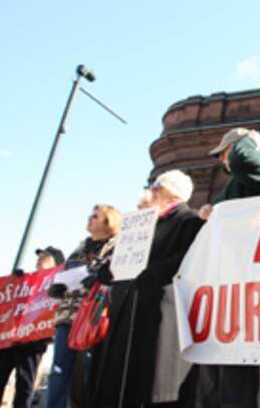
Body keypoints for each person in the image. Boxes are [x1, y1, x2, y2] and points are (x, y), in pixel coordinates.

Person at [90, 170, 204, 407]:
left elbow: (189, 258)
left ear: (169, 192)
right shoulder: (140, 225)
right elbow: (115, 266)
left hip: (159, 310)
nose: (149, 191)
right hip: (127, 309)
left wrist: (151, 272)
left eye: (155, 187)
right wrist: (110, 267)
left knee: (151, 381)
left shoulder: (190, 221)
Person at [196, 128, 260, 408]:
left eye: (225, 152)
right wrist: (211, 210)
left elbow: (245, 161)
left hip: (247, 283)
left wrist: (247, 140)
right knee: (214, 368)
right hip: (223, 283)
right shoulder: (233, 184)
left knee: (236, 370)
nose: (223, 159)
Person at [46, 204, 121, 408]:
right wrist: (57, 287)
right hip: (68, 314)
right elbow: (64, 274)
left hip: (93, 314)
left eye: (95, 216)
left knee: (90, 368)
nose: (90, 219)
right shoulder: (79, 248)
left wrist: (98, 278)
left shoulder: (117, 247)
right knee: (59, 370)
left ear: (108, 222)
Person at [0, 246, 64, 408]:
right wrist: (14, 282)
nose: (40, 259)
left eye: (45, 256)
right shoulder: (26, 281)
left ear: (56, 263)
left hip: (33, 339)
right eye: (39, 256)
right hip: (12, 337)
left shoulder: (58, 283)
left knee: (24, 383)